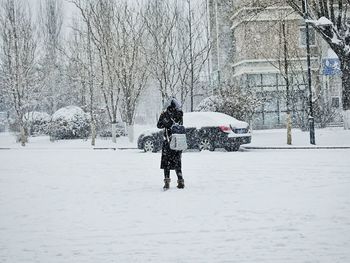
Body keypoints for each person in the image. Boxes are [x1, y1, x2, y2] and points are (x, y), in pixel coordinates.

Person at [157, 97, 185, 190]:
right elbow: (180, 124)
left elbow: (159, 125)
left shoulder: (165, 114)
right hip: (177, 141)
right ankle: (180, 181)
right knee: (177, 162)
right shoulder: (180, 114)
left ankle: (167, 182)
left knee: (166, 163)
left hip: (168, 141)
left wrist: (164, 120)